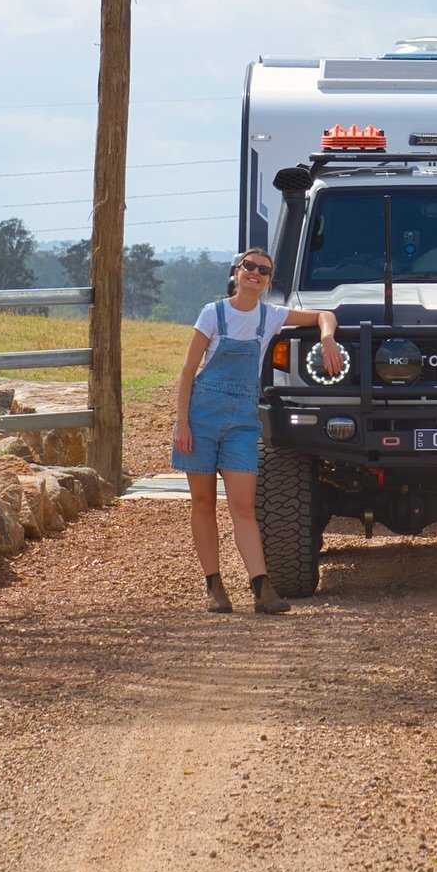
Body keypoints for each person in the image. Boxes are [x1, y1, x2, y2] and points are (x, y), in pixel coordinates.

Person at [171, 247, 341, 615]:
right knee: (202, 503)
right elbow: (187, 371)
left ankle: (261, 586)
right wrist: (181, 422)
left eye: (263, 270)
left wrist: (327, 338)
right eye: (249, 266)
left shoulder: (272, 316)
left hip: (242, 424)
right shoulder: (213, 313)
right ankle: (213, 585)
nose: (255, 273)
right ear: (236, 272)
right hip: (201, 418)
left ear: (267, 281)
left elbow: (325, 314)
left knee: (244, 506)